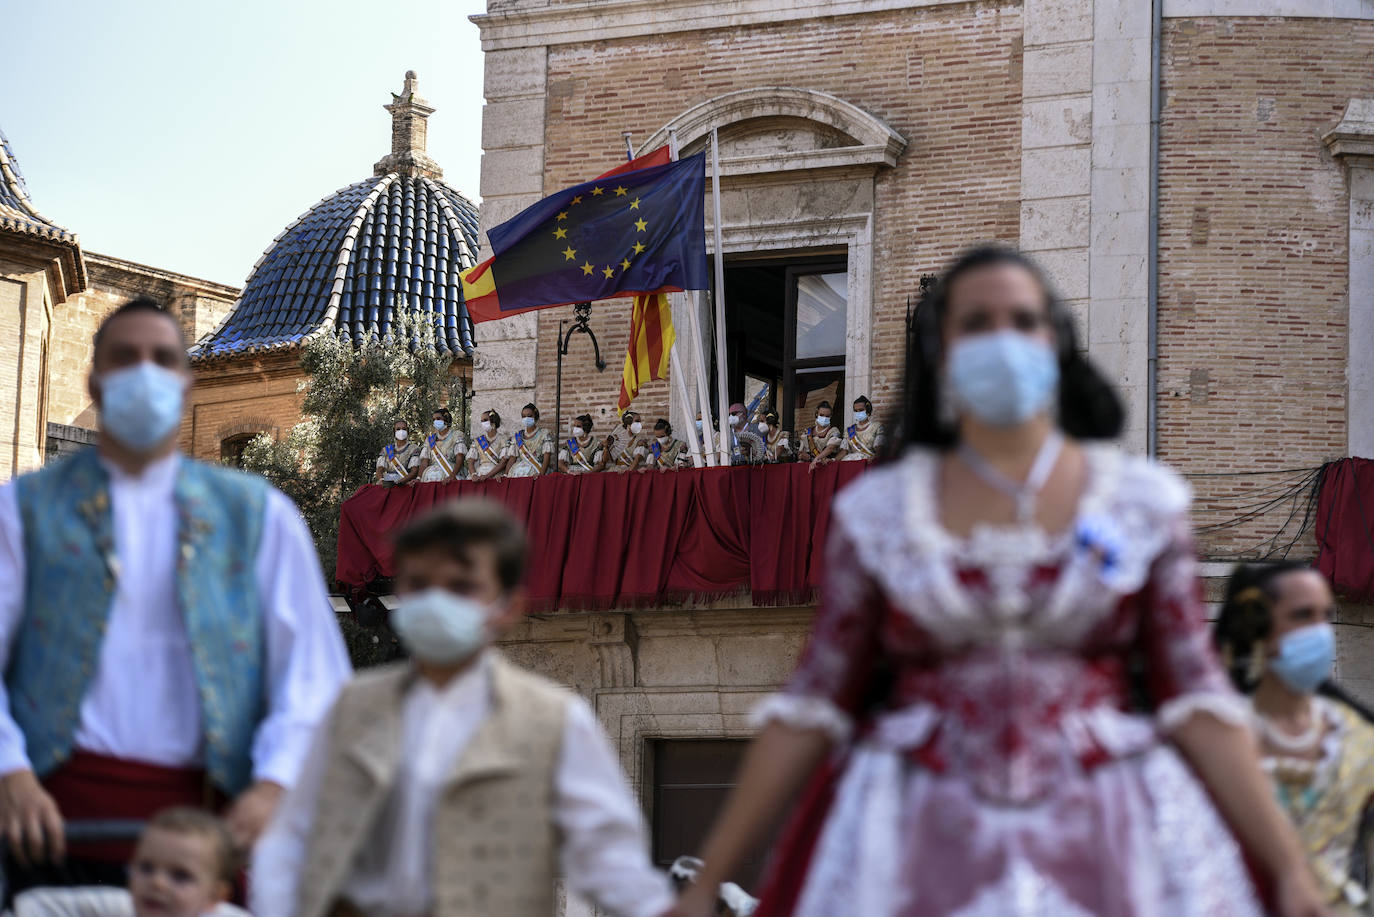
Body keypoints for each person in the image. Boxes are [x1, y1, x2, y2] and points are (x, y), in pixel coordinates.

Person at [666, 246, 1325, 917]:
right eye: (976, 323)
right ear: (941, 351)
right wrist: (706, 880)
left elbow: (1201, 702)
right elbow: (812, 705)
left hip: (1106, 828)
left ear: (1055, 341)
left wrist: (1290, 868)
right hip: (915, 831)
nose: (1002, 340)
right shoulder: (881, 513)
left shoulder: (1141, 504)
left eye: (1023, 319)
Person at [0, 298, 351, 892]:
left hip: (211, 838)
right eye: (124, 357)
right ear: (94, 380)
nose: (144, 372)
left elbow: (314, 677)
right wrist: (9, 774)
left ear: (185, 381)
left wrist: (274, 786)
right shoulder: (21, 510)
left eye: (162, 359)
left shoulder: (260, 516)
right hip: (50, 824)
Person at [251, 499, 675, 917]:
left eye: (461, 587)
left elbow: (611, 863)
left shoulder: (554, 720)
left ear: (508, 606)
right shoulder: (350, 709)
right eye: (419, 584)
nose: (437, 601)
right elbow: (289, 840)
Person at [1215, 562, 1374, 914]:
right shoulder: (1217, 737)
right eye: (1303, 615)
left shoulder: (1357, 737)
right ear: (1257, 627)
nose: (1320, 632)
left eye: (1325, 615)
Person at [12, 808, 248, 917]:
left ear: (215, 896)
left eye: (180, 876)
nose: (157, 883)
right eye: (146, 868)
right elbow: (32, 906)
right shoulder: (118, 907)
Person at [502, 403, 554, 478]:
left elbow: (547, 458)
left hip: (536, 470)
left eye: (529, 416)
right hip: (518, 472)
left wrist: (541, 475)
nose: (526, 418)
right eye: (523, 416)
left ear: (535, 416)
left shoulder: (544, 434)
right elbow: (512, 459)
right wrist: (505, 475)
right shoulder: (518, 436)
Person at [416, 408, 465, 484]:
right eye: (434, 419)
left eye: (438, 418)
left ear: (446, 419)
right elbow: (424, 462)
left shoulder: (456, 435)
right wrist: (418, 478)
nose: (435, 421)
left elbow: (460, 458)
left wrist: (452, 476)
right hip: (430, 475)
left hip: (450, 471)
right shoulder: (430, 440)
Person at [795, 402, 840, 471]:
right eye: (821, 415)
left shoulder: (833, 431)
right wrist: (802, 455)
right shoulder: (807, 432)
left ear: (831, 416)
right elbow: (800, 452)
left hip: (826, 467)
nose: (824, 418)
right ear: (816, 414)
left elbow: (830, 448)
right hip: (809, 467)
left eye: (827, 416)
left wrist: (816, 459)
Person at [375, 420, 421, 486]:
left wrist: (400, 482)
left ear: (408, 431)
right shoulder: (386, 450)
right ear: (394, 432)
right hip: (387, 482)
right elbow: (379, 469)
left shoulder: (414, 448)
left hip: (405, 482)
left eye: (404, 429)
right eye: (398, 429)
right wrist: (381, 480)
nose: (401, 431)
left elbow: (414, 471)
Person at [467, 409, 507, 482]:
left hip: (496, 474)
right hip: (479, 474)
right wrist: (473, 475)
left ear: (493, 421)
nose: (483, 423)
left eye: (485, 420)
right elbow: (470, 461)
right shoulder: (478, 441)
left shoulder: (503, 439)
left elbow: (503, 462)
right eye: (481, 421)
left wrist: (487, 476)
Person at [839, 395, 883, 462]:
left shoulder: (877, 427)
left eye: (861, 410)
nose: (858, 412)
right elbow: (844, 451)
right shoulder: (849, 431)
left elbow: (880, 449)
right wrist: (833, 460)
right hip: (851, 463)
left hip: (868, 463)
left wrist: (874, 458)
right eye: (856, 411)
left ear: (868, 411)